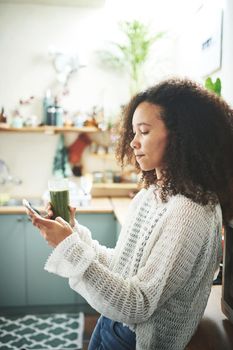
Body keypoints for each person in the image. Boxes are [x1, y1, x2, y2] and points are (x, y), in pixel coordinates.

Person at [28, 78, 233, 350]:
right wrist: (72, 233)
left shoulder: (191, 210)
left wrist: (69, 246)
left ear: (182, 136)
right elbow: (121, 267)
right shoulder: (151, 195)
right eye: (133, 132)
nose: (134, 143)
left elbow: (138, 303)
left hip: (133, 340)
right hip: (108, 323)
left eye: (144, 132)